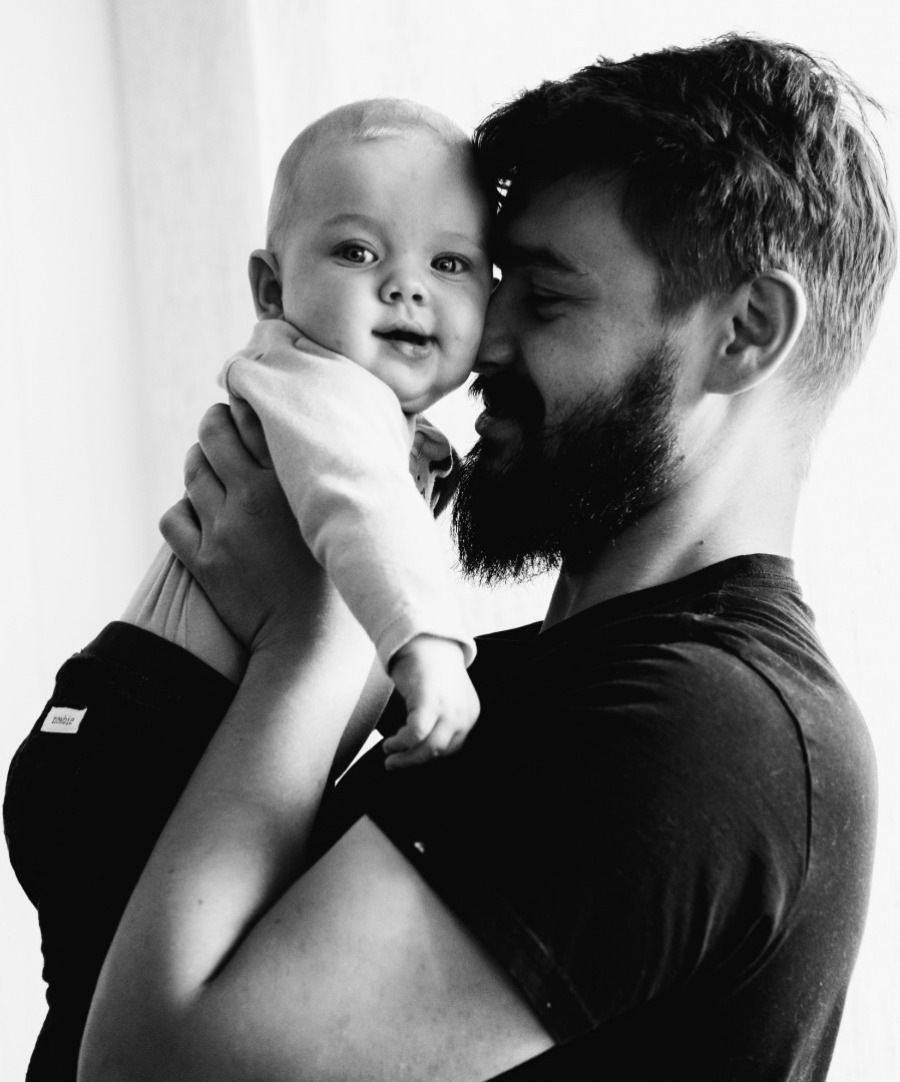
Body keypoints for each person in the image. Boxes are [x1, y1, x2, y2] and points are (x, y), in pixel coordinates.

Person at [5, 32, 894, 1082]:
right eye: (493, 280)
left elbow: (147, 1070)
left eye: (546, 297)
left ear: (746, 329)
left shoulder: (700, 727)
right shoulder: (513, 681)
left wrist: (309, 635)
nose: (481, 344)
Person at [122, 97, 493, 764]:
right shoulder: (318, 384)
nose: (407, 287)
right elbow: (359, 496)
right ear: (272, 289)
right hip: (135, 730)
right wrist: (428, 647)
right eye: (358, 252)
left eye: (449, 264)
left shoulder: (370, 416)